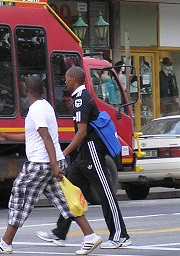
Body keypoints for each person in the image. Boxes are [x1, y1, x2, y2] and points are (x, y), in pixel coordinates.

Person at [0, 76, 102, 255]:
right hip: (50, 162)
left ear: (24, 90)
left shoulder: (36, 109)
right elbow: (35, 136)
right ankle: (90, 236)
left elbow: (46, 137)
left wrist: (54, 166)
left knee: (19, 195)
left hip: (42, 163)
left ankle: (6, 243)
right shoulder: (46, 106)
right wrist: (5, 136)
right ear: (43, 90)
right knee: (64, 200)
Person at [36, 66, 132, 249]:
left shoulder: (81, 99)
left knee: (106, 194)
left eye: (66, 79)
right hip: (84, 154)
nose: (65, 82)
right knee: (70, 191)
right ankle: (60, 233)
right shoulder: (79, 98)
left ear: (73, 80)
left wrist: (62, 154)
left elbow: (82, 133)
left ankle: (121, 236)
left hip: (92, 150)